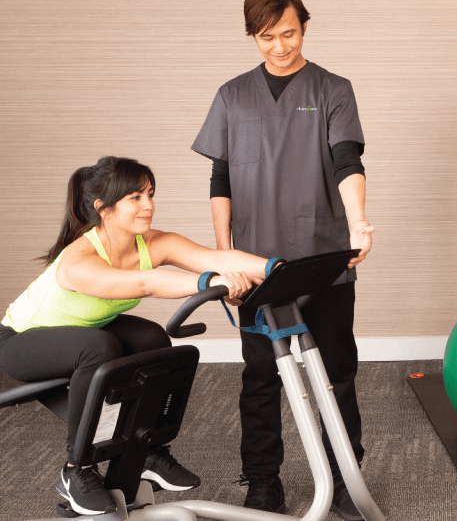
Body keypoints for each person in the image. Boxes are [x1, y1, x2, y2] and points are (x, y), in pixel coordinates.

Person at [190, 0, 373, 519]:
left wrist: (358, 221)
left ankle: (346, 478)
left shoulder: (334, 88)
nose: (278, 46)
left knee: (338, 371)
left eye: (288, 33)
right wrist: (223, 254)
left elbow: (347, 162)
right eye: (265, 37)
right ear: (253, 36)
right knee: (260, 376)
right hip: (253, 264)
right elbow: (220, 176)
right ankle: (263, 482)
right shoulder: (231, 95)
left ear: (305, 26)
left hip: (321, 254)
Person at [0, 156, 266, 516]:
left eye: (150, 194)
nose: (149, 205)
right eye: (135, 198)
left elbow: (218, 257)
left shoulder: (151, 242)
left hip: (81, 331)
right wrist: (210, 282)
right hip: (19, 341)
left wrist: (276, 267)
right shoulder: (78, 259)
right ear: (103, 209)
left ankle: (147, 451)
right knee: (99, 347)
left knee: (151, 339)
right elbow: (146, 283)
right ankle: (75, 470)